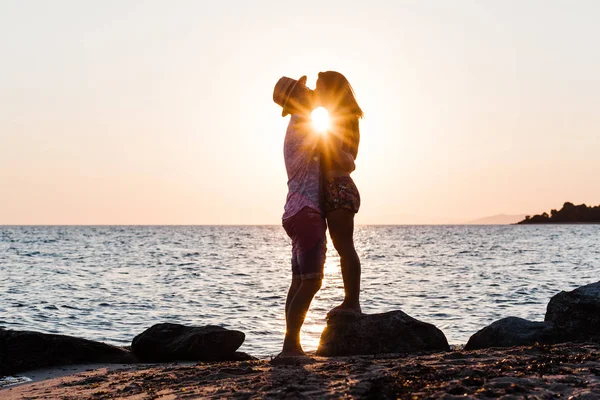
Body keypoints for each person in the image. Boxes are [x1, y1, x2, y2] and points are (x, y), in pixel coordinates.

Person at [272, 76, 326, 360]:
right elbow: (334, 154)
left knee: (298, 281)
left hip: (294, 211)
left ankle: (290, 345)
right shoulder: (305, 126)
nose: (311, 91)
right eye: (305, 89)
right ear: (298, 98)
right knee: (312, 281)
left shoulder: (296, 126)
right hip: (307, 212)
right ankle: (290, 347)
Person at [315, 71, 364, 317]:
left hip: (338, 188)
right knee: (342, 247)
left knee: (345, 247)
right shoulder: (342, 118)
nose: (315, 91)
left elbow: (346, 159)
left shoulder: (339, 119)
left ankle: (352, 303)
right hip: (336, 187)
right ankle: (351, 302)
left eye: (319, 87)